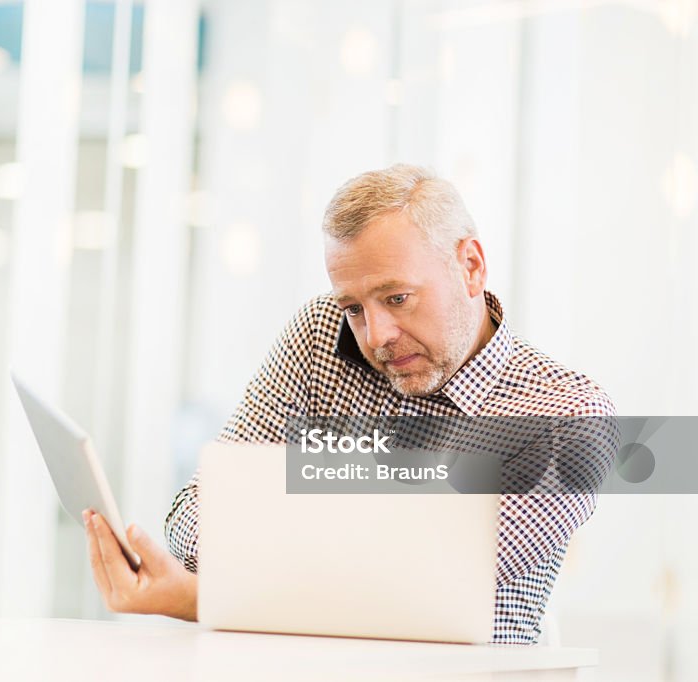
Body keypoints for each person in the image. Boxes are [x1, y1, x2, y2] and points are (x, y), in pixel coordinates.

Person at [82, 163, 617, 644]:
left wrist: (204, 596)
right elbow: (198, 518)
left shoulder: (569, 418)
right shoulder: (322, 336)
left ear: (471, 267)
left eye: (397, 298)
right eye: (355, 307)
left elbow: (416, 583)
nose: (376, 334)